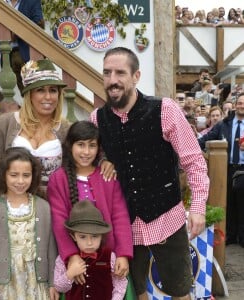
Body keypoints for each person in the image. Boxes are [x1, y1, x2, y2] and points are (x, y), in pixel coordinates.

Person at [90, 47, 209, 300]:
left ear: (136, 76)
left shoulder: (165, 110)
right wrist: (103, 163)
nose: (113, 80)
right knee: (134, 291)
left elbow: (194, 160)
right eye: (107, 73)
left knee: (179, 291)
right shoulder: (96, 119)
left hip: (167, 217)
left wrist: (198, 206)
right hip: (124, 223)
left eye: (120, 73)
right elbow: (91, 162)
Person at [0, 58, 114, 199]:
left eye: (53, 90)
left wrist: (105, 161)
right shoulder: (5, 124)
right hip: (12, 207)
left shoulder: (66, 129)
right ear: (29, 95)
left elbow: (88, 154)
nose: (48, 97)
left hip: (53, 207)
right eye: (40, 90)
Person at [47, 120, 133, 282]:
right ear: (70, 145)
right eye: (80, 145)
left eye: (92, 145)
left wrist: (123, 254)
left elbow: (120, 216)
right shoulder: (58, 179)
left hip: (109, 259)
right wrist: (72, 257)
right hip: (76, 264)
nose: (86, 152)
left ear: (99, 148)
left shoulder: (107, 176)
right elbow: (59, 221)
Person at [0, 147, 58, 299]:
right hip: (3, 287)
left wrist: (52, 283)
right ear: (4, 175)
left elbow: (51, 249)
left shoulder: (43, 207)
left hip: (37, 285)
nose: (20, 181)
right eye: (14, 175)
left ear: (33, 176)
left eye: (26, 175)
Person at [54, 200, 128, 300]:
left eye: (95, 236)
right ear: (74, 236)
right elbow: (59, 287)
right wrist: (70, 274)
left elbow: (121, 283)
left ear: (102, 236)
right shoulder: (63, 259)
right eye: (83, 237)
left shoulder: (110, 257)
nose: (89, 243)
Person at [198, 93, 244, 247]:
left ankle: (242, 237)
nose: (241, 106)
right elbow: (205, 140)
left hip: (243, 170)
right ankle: (230, 236)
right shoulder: (224, 124)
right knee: (228, 203)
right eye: (239, 103)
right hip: (226, 169)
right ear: (235, 104)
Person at [0, 0, 45, 92]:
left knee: (34, 89)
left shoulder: (32, 1)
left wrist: (15, 33)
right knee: (23, 91)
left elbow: (39, 24)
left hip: (27, 52)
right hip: (6, 54)